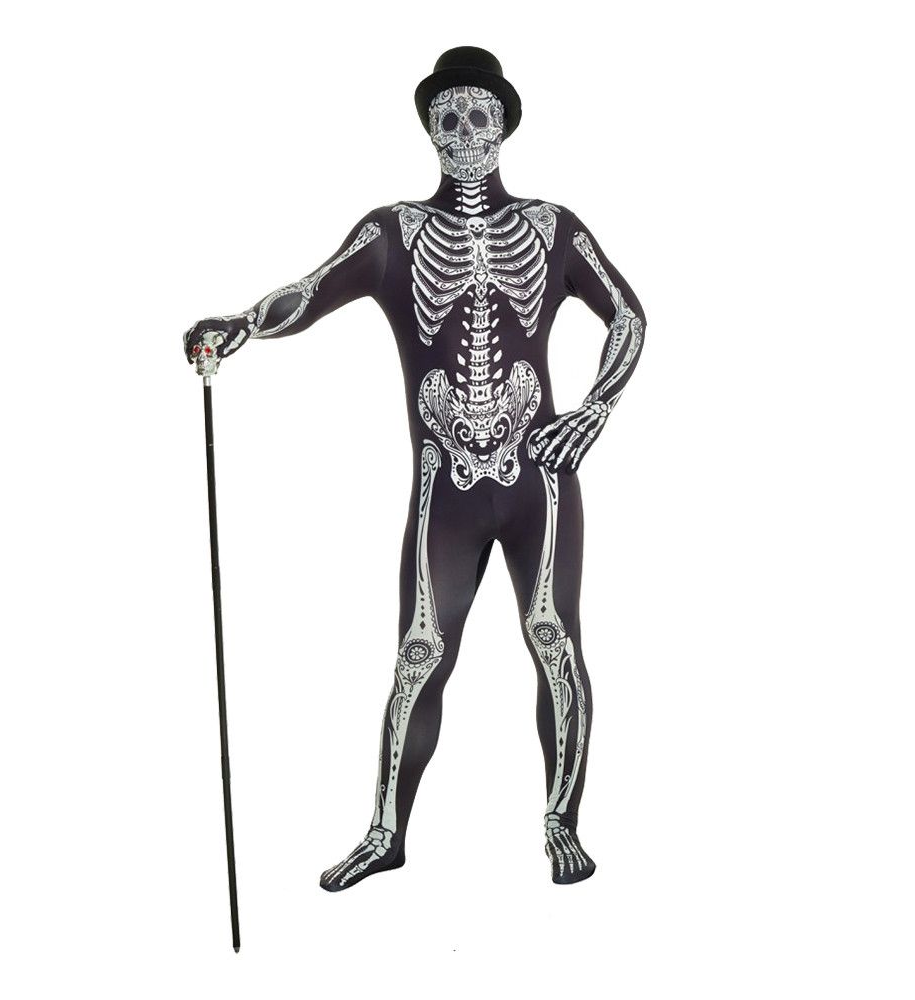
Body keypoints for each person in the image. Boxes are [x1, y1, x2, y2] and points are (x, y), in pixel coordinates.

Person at [183, 46, 646, 891]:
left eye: (479, 115)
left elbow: (627, 314)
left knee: (553, 638)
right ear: (430, 129)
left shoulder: (551, 228)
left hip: (537, 477)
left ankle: (560, 823)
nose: (464, 131)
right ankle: (385, 832)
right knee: (420, 652)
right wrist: (242, 324)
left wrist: (594, 409)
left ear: (503, 126)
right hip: (446, 483)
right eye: (448, 117)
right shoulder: (395, 232)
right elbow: (311, 291)